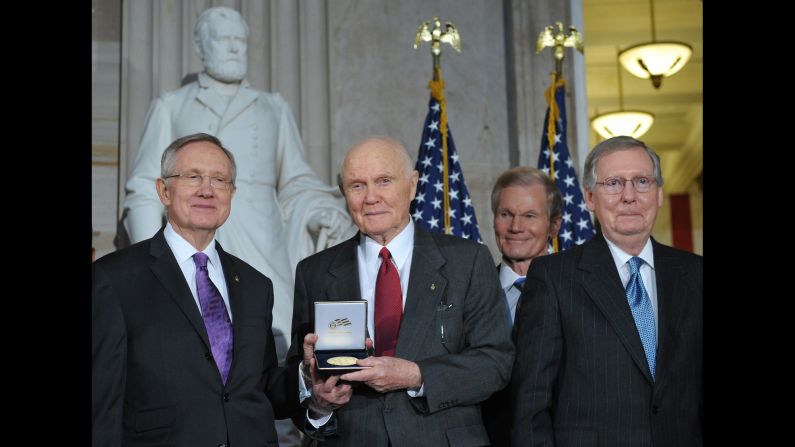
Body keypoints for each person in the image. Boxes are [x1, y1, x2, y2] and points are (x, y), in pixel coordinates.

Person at [121, 6, 353, 376]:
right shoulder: (171, 105)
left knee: (273, 347)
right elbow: (145, 189)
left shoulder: (273, 108)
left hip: (263, 242)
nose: (234, 49)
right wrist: (153, 259)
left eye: (240, 41)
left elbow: (296, 182)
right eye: (224, 40)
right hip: (191, 244)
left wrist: (318, 210)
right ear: (201, 45)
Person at [285, 136, 515, 446]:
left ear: (413, 184)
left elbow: (495, 363)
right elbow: (298, 376)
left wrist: (417, 375)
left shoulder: (468, 261)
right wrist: (319, 403)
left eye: (383, 181)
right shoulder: (314, 271)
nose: (371, 197)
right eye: (357, 186)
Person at [93, 133, 317, 446]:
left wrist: (310, 375)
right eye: (193, 177)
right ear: (164, 191)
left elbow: (261, 386)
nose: (207, 190)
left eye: (220, 180)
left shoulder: (255, 285)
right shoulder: (113, 279)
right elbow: (101, 401)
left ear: (232, 193)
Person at [510, 136, 703, 446]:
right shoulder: (554, 277)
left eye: (642, 181)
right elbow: (531, 404)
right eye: (613, 183)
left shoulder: (695, 274)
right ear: (589, 197)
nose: (629, 196)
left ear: (659, 194)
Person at [482, 166, 562, 446]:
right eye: (506, 214)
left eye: (530, 216)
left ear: (554, 226)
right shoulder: (471, 292)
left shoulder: (579, 292)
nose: (516, 227)